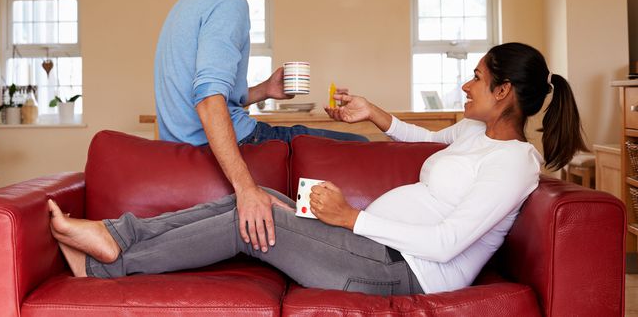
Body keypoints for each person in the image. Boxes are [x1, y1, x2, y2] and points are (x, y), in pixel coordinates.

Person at [49, 42, 587, 295]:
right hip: (375, 247)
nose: (465, 86)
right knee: (257, 196)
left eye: (475, 77)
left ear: (503, 92)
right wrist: (372, 113)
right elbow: (424, 140)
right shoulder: (474, 133)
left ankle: (105, 266)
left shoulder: (515, 164)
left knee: (260, 219)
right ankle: (115, 235)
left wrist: (350, 218)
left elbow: (447, 242)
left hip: (404, 273)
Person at [154, 0, 367, 254]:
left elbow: (207, 91)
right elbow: (208, 100)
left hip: (183, 142)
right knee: (360, 149)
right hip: (237, 140)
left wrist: (264, 90)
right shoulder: (229, 3)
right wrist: (246, 189)